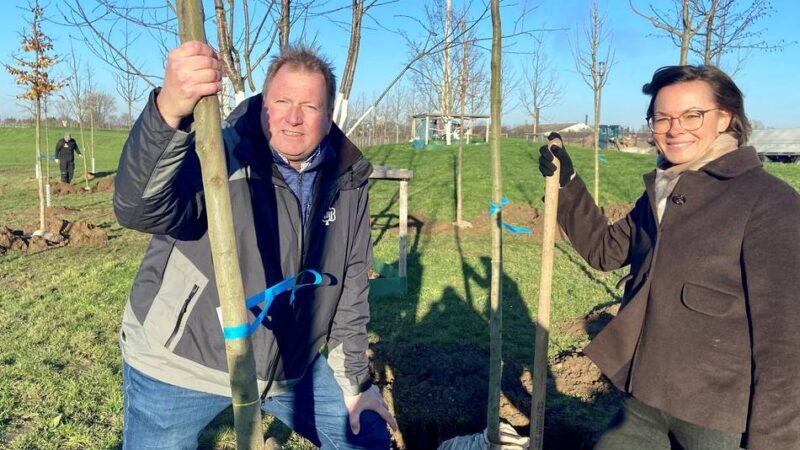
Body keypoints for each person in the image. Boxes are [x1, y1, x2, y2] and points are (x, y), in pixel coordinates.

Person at [113, 41, 396, 449]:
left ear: (329, 114)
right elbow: (138, 208)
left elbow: (349, 287)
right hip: (181, 358)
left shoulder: (346, 181)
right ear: (263, 103)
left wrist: (355, 382)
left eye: (310, 107)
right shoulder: (219, 152)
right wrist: (169, 110)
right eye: (281, 101)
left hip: (289, 365)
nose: (293, 119)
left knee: (364, 438)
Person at [537, 65, 800, 449]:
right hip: (645, 400)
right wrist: (568, 185)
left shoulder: (769, 201)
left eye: (692, 115)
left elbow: (785, 341)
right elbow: (605, 250)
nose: (674, 129)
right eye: (662, 117)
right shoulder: (664, 191)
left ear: (725, 118)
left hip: (721, 416)